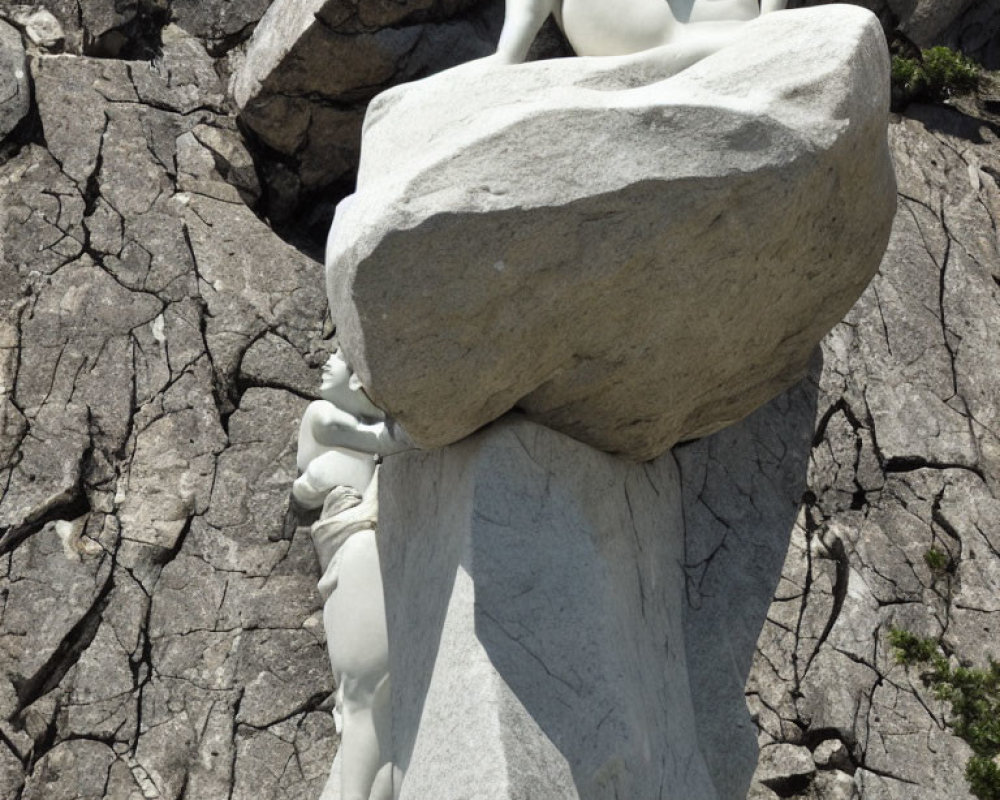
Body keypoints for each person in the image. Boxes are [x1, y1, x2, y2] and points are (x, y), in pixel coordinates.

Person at [292, 351, 409, 800]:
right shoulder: (323, 414)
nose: (326, 359)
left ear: (361, 380)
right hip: (347, 543)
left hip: (358, 544)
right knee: (361, 699)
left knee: (364, 698)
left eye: (341, 356)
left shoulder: (340, 433)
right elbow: (373, 439)